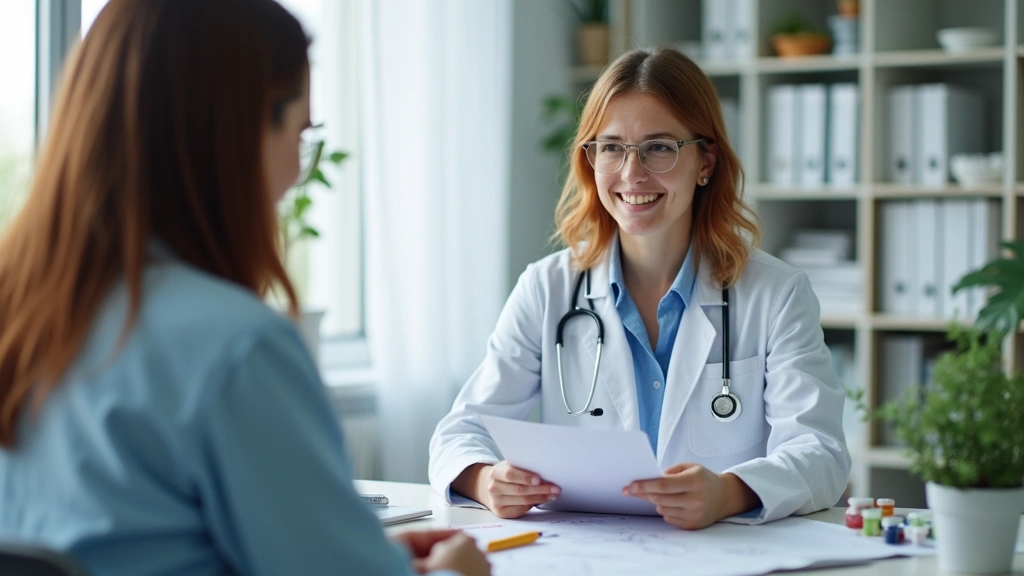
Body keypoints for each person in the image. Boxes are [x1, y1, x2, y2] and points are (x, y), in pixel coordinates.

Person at [0, 1, 489, 575]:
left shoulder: (20, 312)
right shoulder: (237, 347)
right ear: (238, 132)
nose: (292, 176)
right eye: (299, 135)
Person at [429, 47, 850, 530]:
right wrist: (485, 480)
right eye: (610, 147)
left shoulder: (774, 294)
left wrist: (729, 493)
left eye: (659, 147)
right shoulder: (547, 289)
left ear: (706, 160)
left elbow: (822, 453)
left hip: (719, 556)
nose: (632, 174)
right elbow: (460, 430)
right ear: (590, 161)